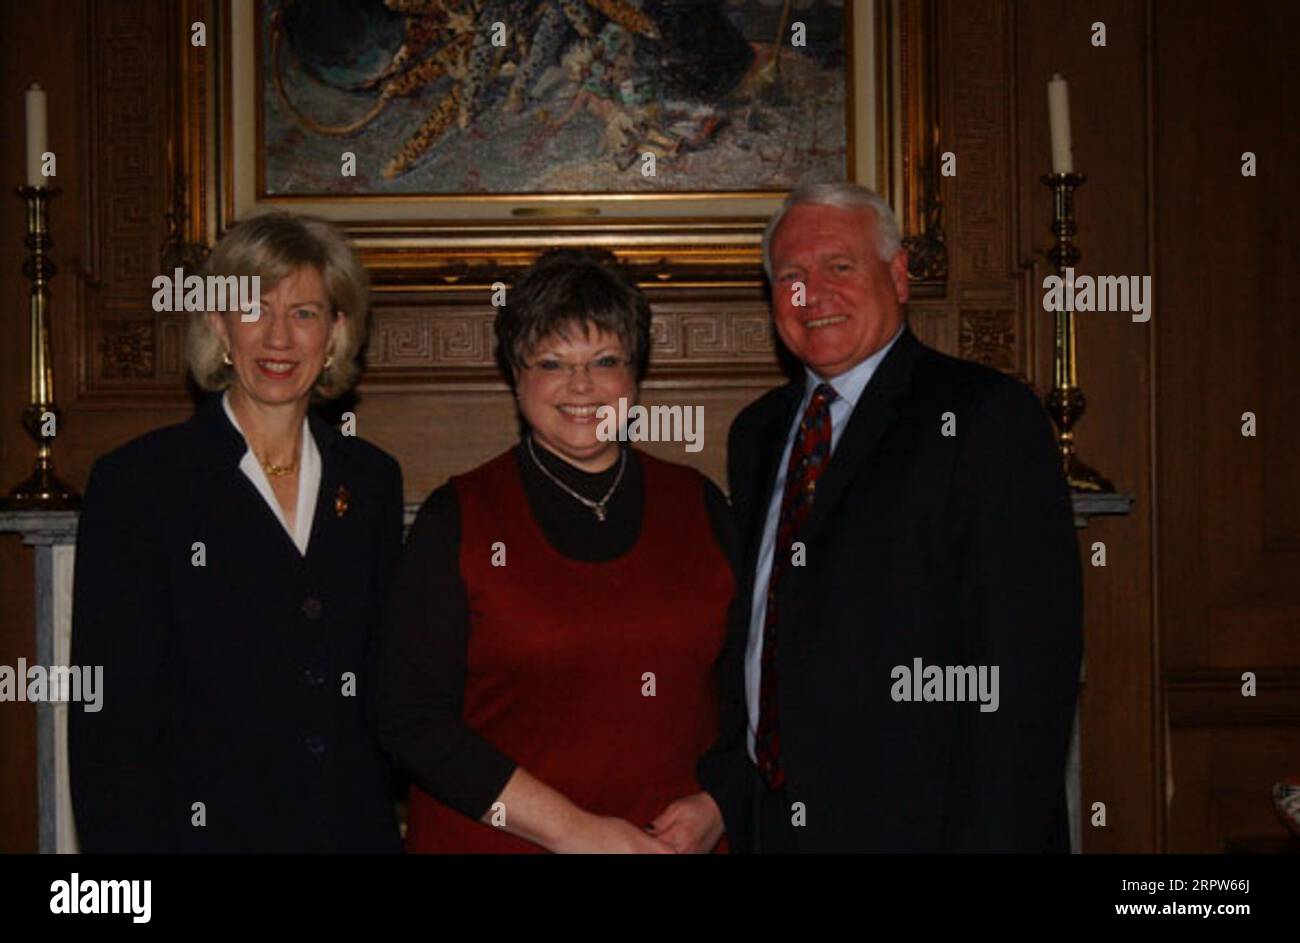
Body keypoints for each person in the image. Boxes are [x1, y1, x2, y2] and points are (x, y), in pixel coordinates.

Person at [696, 182, 1083, 852]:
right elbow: (760, 632)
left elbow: (1025, 674)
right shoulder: (758, 433)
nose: (813, 293)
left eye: (839, 266)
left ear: (898, 276)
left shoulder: (985, 417)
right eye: (790, 276)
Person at [379, 248, 745, 853]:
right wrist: (577, 833)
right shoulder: (459, 517)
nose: (582, 386)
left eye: (605, 361)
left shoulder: (700, 504)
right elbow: (409, 718)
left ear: (635, 372)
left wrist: (720, 801)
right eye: (552, 362)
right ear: (515, 374)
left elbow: (750, 690)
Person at [69, 212, 403, 853]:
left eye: (304, 313)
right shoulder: (140, 485)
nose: (279, 337)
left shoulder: (371, 481)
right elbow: (109, 722)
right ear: (220, 325)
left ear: (336, 332)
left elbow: (382, 689)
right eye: (255, 310)